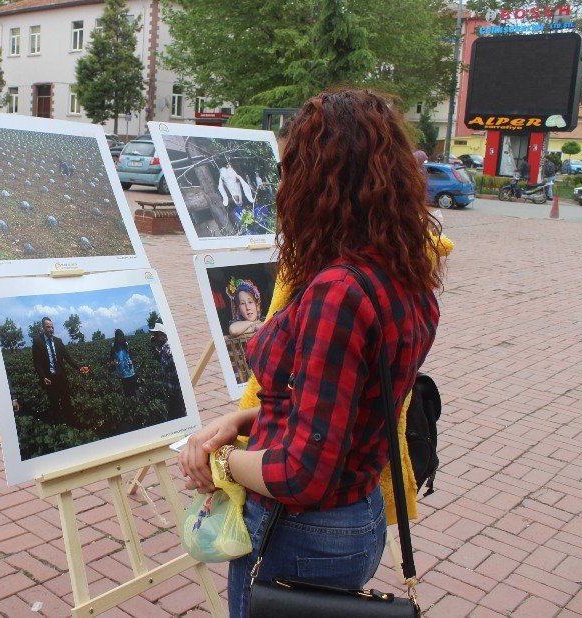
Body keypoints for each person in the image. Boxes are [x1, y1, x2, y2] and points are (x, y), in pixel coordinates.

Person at [178, 89, 443, 618]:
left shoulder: (339, 291)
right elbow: (344, 403)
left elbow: (302, 473)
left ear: (316, 183)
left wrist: (220, 460)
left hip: (301, 532)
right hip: (353, 514)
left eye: (289, 171)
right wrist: (246, 417)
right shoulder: (403, 272)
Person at [31, 317, 88, 425]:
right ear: (43, 327)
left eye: (52, 327)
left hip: (62, 377)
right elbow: (37, 363)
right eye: (48, 327)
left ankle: (71, 423)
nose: (51, 329)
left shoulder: (58, 341)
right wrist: (43, 377)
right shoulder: (38, 342)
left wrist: (79, 367)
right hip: (50, 379)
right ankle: (58, 425)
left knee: (66, 401)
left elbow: (68, 358)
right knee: (54, 403)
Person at [150, 323, 185, 420]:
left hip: (177, 395)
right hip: (174, 394)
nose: (155, 338)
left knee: (176, 417)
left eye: (157, 335)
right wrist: (153, 347)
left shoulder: (169, 350)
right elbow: (162, 358)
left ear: (164, 336)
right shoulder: (165, 348)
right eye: (155, 335)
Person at [108, 329, 138, 400]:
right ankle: (129, 403)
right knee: (126, 389)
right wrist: (115, 361)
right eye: (119, 337)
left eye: (122, 336)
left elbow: (131, 354)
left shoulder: (126, 344)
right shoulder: (113, 346)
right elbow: (111, 357)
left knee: (134, 388)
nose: (121, 338)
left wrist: (131, 360)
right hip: (122, 370)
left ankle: (135, 402)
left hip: (130, 369)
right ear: (116, 337)